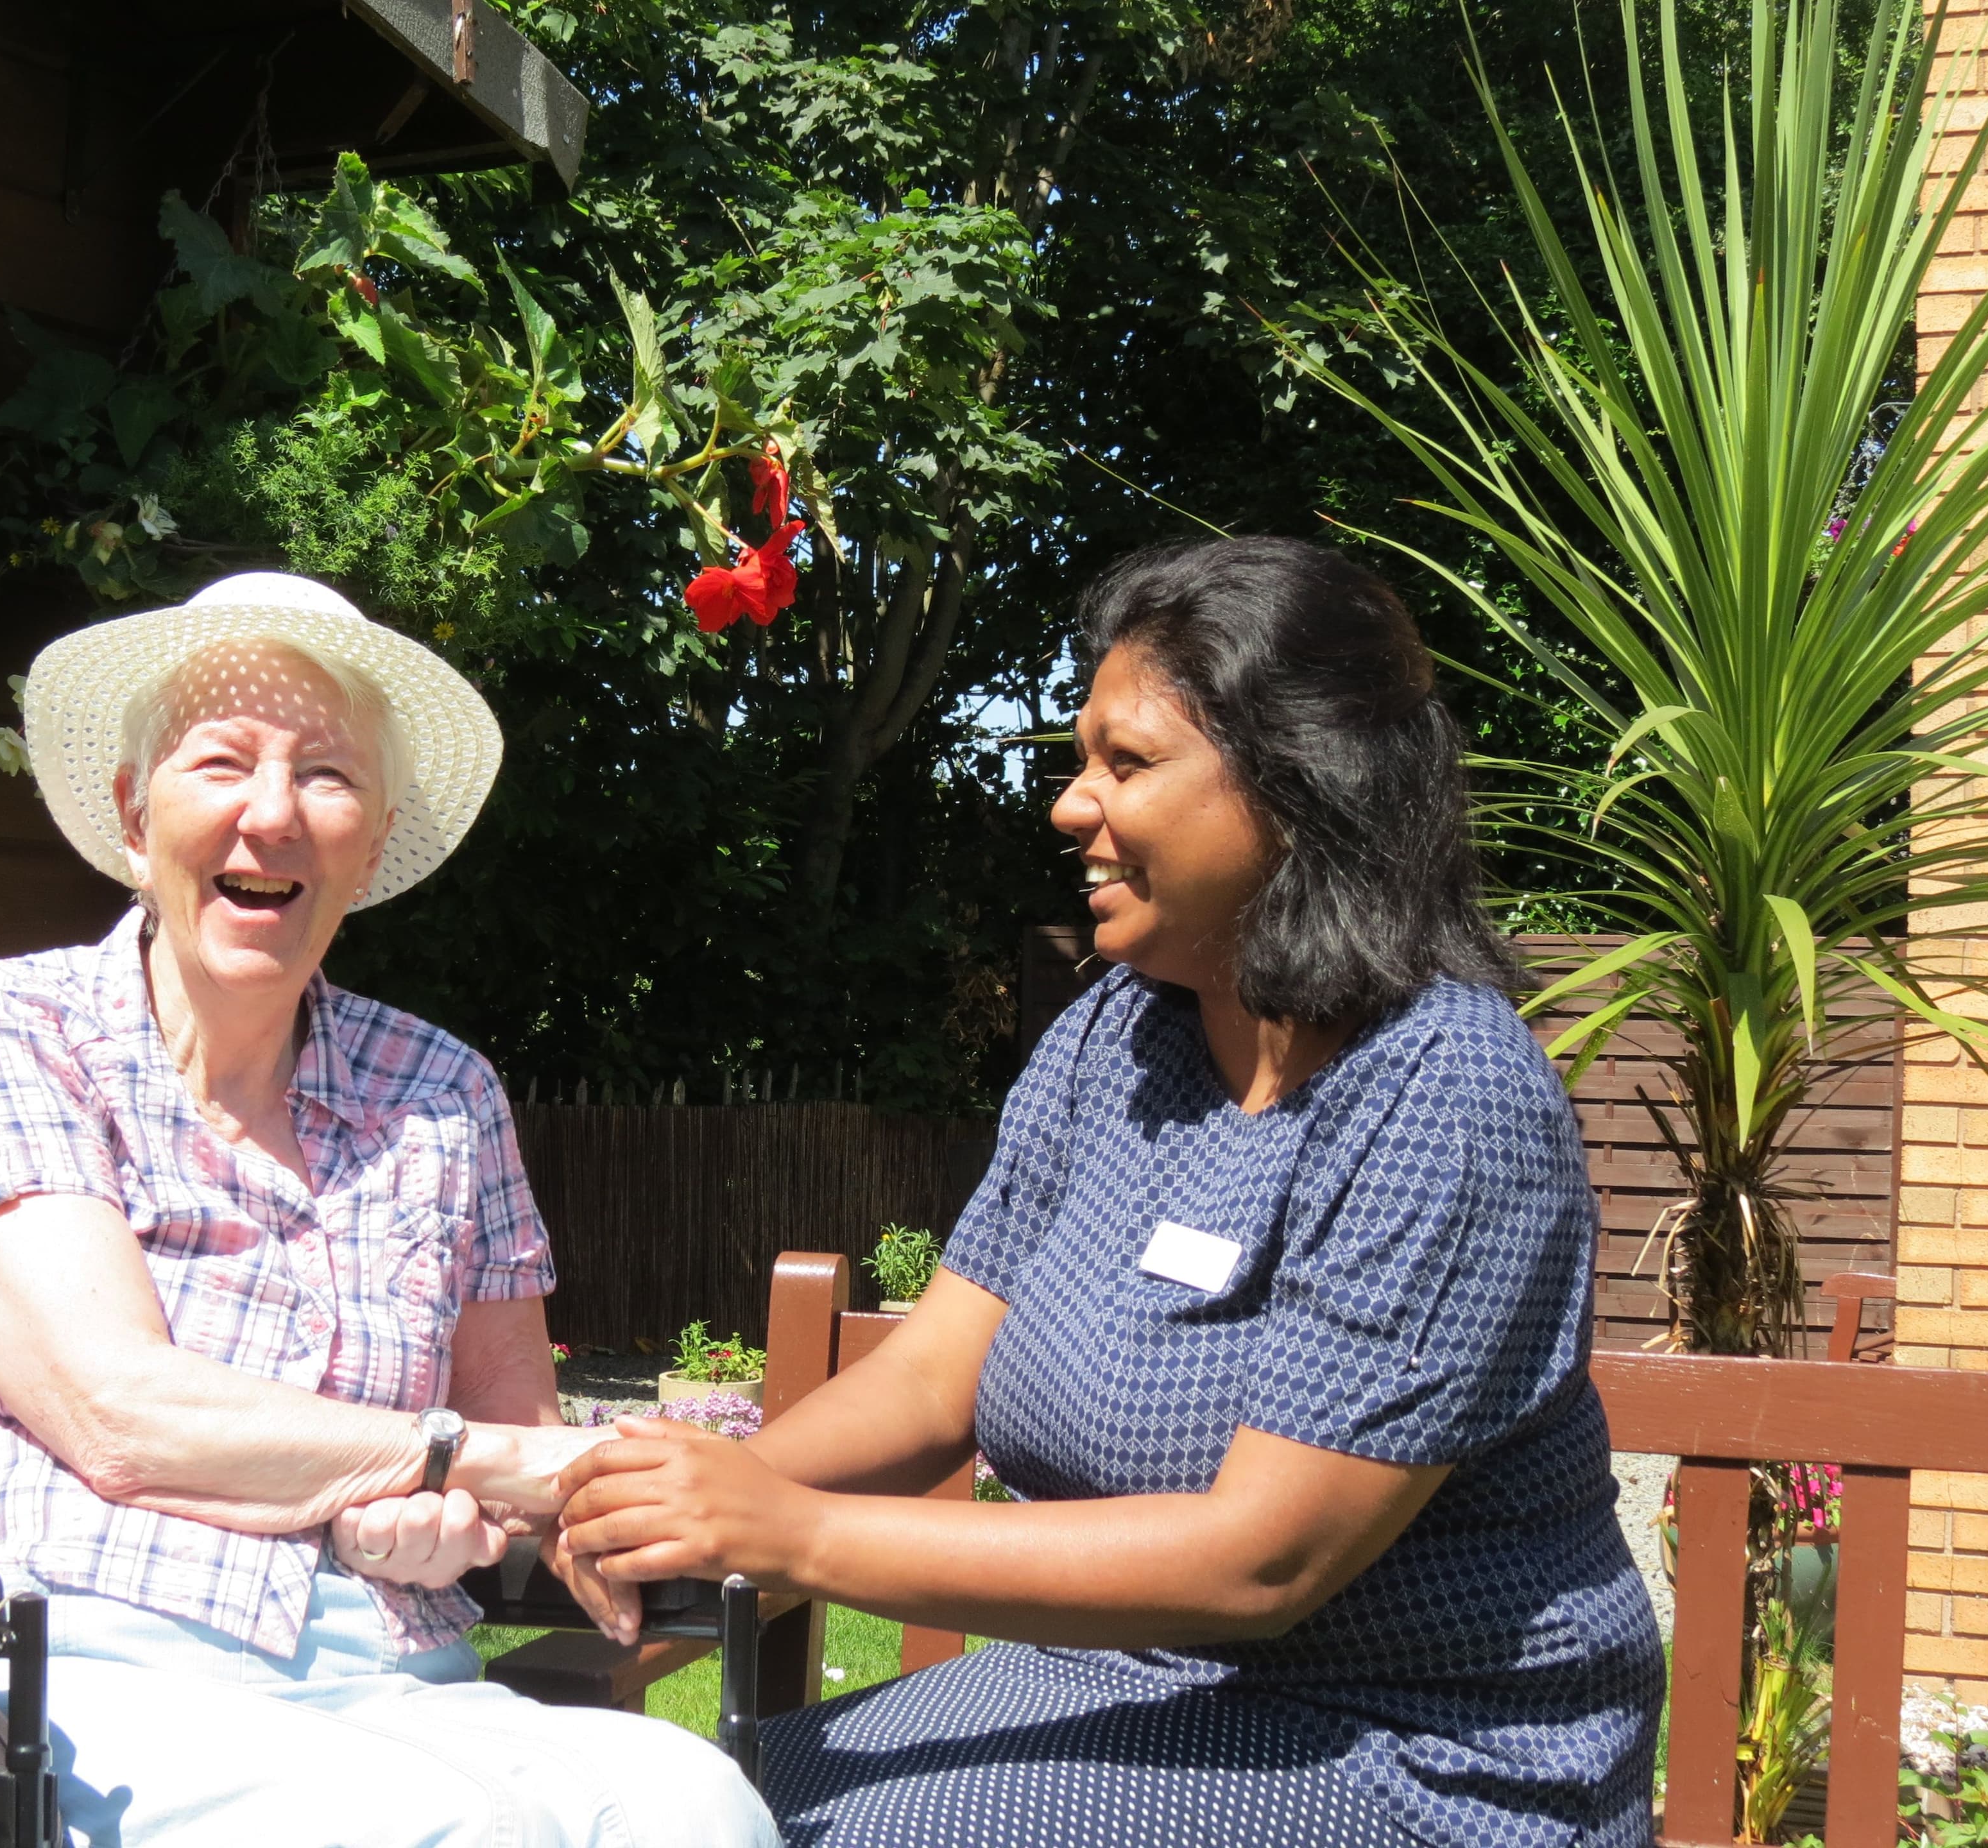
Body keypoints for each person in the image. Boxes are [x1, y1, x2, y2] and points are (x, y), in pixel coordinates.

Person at [553, 537, 1664, 1848]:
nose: (1071, 806)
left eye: (1126, 764)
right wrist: (686, 1512)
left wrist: (789, 1534)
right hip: (1117, 1685)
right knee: (665, 1811)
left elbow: (1261, 1559)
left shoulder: (1442, 1091)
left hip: (1408, 1756)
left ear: (1299, 787)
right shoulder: (1121, 1035)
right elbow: (933, 1382)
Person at [0, 571, 777, 1848]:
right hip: (44, 1662)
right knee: (433, 1832)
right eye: (222, 762)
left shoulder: (446, 1094)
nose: (272, 816)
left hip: (383, 1676)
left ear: (377, 839)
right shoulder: (8, 1029)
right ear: (132, 813)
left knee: (693, 1806)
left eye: (329, 778)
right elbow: (118, 1416)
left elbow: (524, 1452)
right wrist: (457, 1459)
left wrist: (467, 1517)